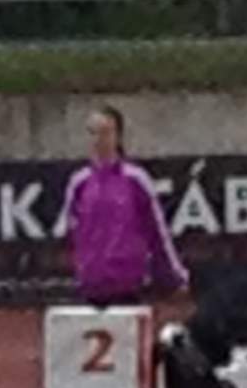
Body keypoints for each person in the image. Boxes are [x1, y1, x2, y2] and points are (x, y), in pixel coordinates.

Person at [61, 104, 189, 307]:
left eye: (105, 133)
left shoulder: (136, 180)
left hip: (128, 288)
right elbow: (71, 234)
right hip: (90, 288)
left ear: (118, 136)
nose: (98, 139)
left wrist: (174, 276)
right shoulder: (79, 183)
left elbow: (157, 232)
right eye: (93, 133)